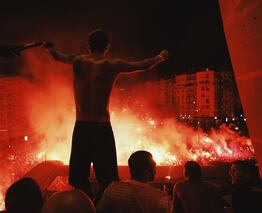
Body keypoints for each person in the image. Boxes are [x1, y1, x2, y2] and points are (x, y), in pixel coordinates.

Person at [43, 29, 169, 200]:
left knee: (78, 180)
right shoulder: (111, 65)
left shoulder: (77, 61)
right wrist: (161, 56)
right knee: (109, 181)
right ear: (107, 47)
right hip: (102, 128)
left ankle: (88, 208)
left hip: (82, 126)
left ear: (88, 46)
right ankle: (103, 206)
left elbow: (59, 56)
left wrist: (50, 49)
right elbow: (143, 65)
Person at [96, 150, 168, 213]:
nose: (155, 172)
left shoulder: (113, 188)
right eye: (154, 169)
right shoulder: (159, 197)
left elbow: (99, 210)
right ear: (146, 173)